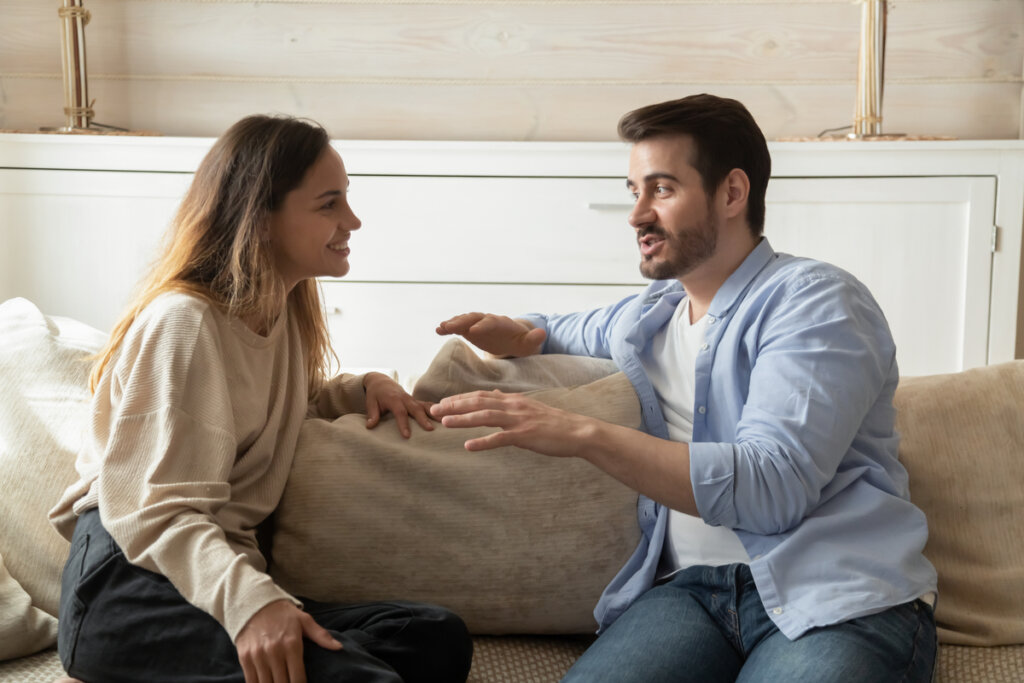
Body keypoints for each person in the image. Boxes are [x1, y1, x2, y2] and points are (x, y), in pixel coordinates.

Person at [431, 93, 938, 682]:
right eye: (634, 191)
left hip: (835, 594)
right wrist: (522, 334)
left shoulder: (815, 301)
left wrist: (583, 435)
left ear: (732, 193)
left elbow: (773, 487)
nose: (637, 215)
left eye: (662, 189)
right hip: (691, 595)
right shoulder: (650, 316)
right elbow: (561, 329)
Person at [48, 115, 473, 683]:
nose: (353, 220)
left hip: (211, 573)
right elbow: (155, 512)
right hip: (128, 584)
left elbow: (282, 401)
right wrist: (252, 605)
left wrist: (364, 385)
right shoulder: (184, 323)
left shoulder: (280, 318)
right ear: (261, 218)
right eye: (329, 204)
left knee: (436, 637)